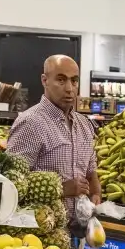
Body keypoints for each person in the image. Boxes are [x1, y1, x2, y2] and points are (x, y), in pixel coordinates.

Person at [8, 55, 101, 231]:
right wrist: (61, 189)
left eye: (74, 81)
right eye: (61, 80)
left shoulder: (84, 124)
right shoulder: (30, 123)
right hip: (42, 234)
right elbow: (11, 183)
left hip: (78, 230)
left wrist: (95, 193)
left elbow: (91, 170)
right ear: (45, 80)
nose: (69, 89)